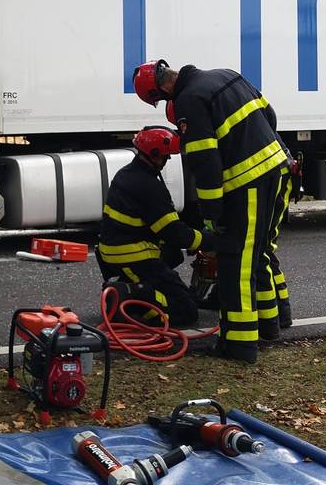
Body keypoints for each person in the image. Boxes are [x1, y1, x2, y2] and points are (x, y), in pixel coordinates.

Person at [134, 59, 287, 364]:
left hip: (248, 183)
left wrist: (212, 215)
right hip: (274, 171)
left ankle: (239, 347)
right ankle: (270, 327)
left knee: (236, 265)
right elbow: (269, 115)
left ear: (163, 88)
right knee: (257, 256)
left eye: (162, 100)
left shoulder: (189, 100)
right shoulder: (226, 75)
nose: (168, 105)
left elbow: (204, 164)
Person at [97, 126, 201, 328]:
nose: (167, 161)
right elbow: (174, 232)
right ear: (155, 155)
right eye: (166, 156)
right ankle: (126, 297)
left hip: (117, 249)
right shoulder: (148, 186)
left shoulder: (127, 173)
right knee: (186, 311)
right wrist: (208, 240)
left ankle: (130, 286)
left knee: (173, 259)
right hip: (132, 254)